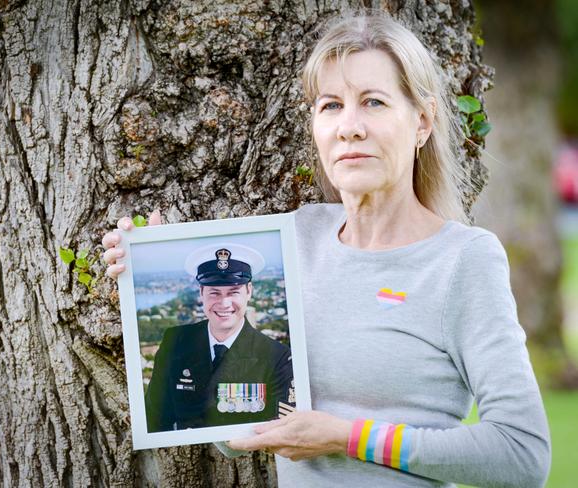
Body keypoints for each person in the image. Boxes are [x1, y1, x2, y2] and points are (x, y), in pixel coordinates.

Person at [102, 12, 550, 488]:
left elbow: (522, 455)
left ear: (422, 121)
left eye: (373, 102)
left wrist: (345, 437)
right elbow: (236, 428)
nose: (349, 127)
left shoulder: (462, 259)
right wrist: (147, 270)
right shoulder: (298, 236)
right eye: (331, 105)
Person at [143, 243, 293, 432]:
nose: (224, 303)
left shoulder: (276, 357)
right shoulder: (176, 341)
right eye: (214, 292)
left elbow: (280, 430)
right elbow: (155, 416)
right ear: (201, 293)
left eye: (233, 292)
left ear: (249, 291)